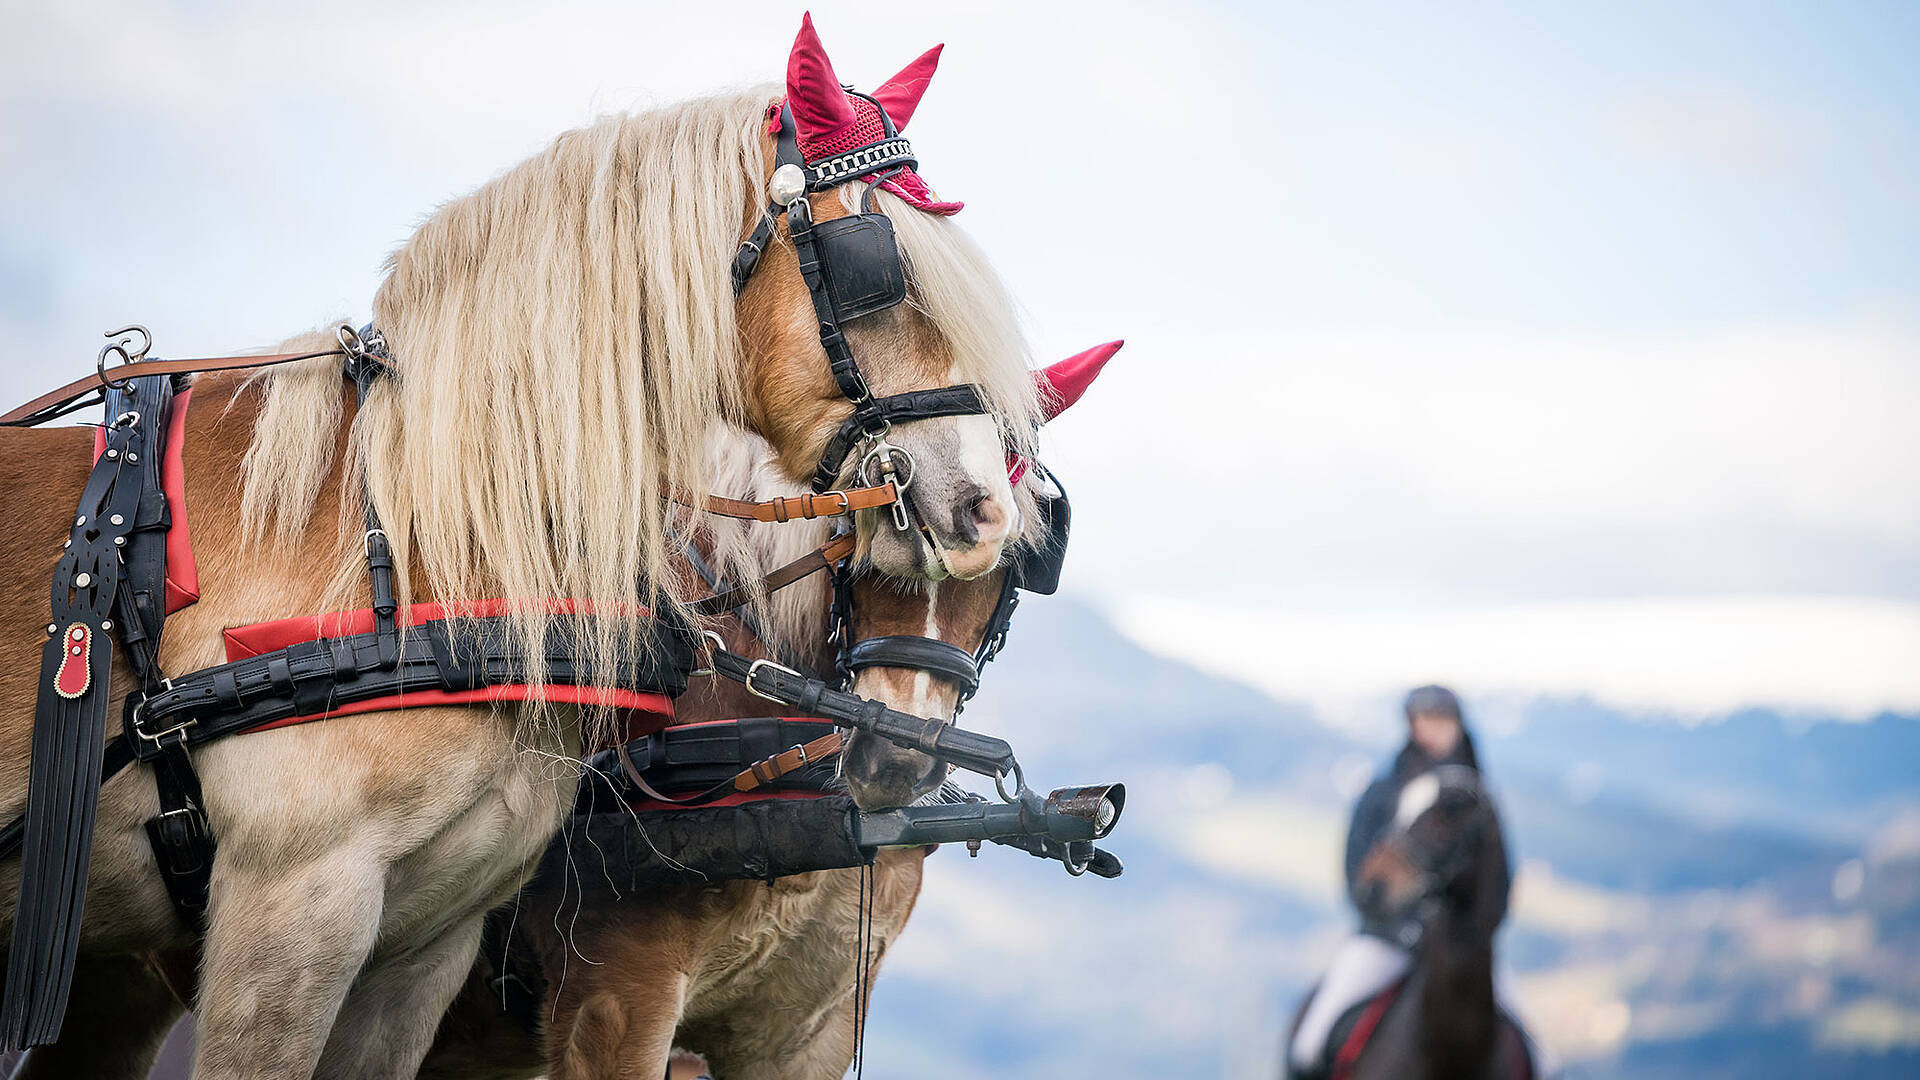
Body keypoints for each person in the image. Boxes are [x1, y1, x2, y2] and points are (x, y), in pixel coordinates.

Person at [1287, 685, 1513, 1076]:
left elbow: (1496, 884)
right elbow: (1361, 879)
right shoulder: (1382, 794)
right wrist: (1405, 929)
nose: (1434, 729)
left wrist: (1464, 935)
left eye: (1442, 720)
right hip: (1386, 943)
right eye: (1425, 720)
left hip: (1461, 955)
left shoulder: (1479, 802)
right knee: (1310, 1042)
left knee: (1540, 1056)